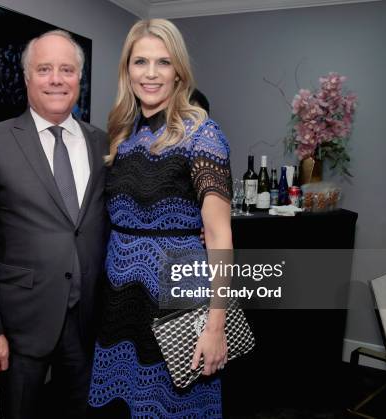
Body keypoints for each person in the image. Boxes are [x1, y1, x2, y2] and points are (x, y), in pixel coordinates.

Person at [0, 30, 108, 419]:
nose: (56, 79)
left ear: (79, 78)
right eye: (44, 69)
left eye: (67, 69)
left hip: (86, 319)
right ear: (27, 78)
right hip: (20, 322)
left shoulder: (102, 144)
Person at [87, 19, 233, 418]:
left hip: (177, 299)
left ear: (178, 72)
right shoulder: (122, 133)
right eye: (140, 62)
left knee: (174, 406)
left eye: (163, 62)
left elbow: (220, 237)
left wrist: (215, 327)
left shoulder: (202, 135)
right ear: (127, 70)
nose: (150, 73)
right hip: (122, 296)